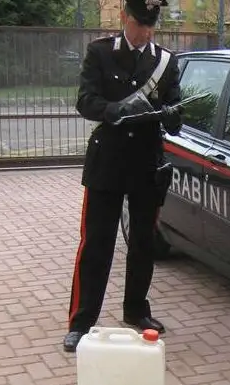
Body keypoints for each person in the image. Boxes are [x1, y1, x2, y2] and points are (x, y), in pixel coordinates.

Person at [63, 0, 183, 353]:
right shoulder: (100, 53)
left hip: (147, 163)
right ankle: (81, 322)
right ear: (124, 18)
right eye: (139, 24)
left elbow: (173, 106)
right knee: (96, 244)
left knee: (143, 243)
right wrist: (114, 110)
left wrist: (174, 116)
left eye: (150, 26)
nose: (145, 32)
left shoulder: (165, 61)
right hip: (108, 162)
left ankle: (136, 310)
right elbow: (85, 101)